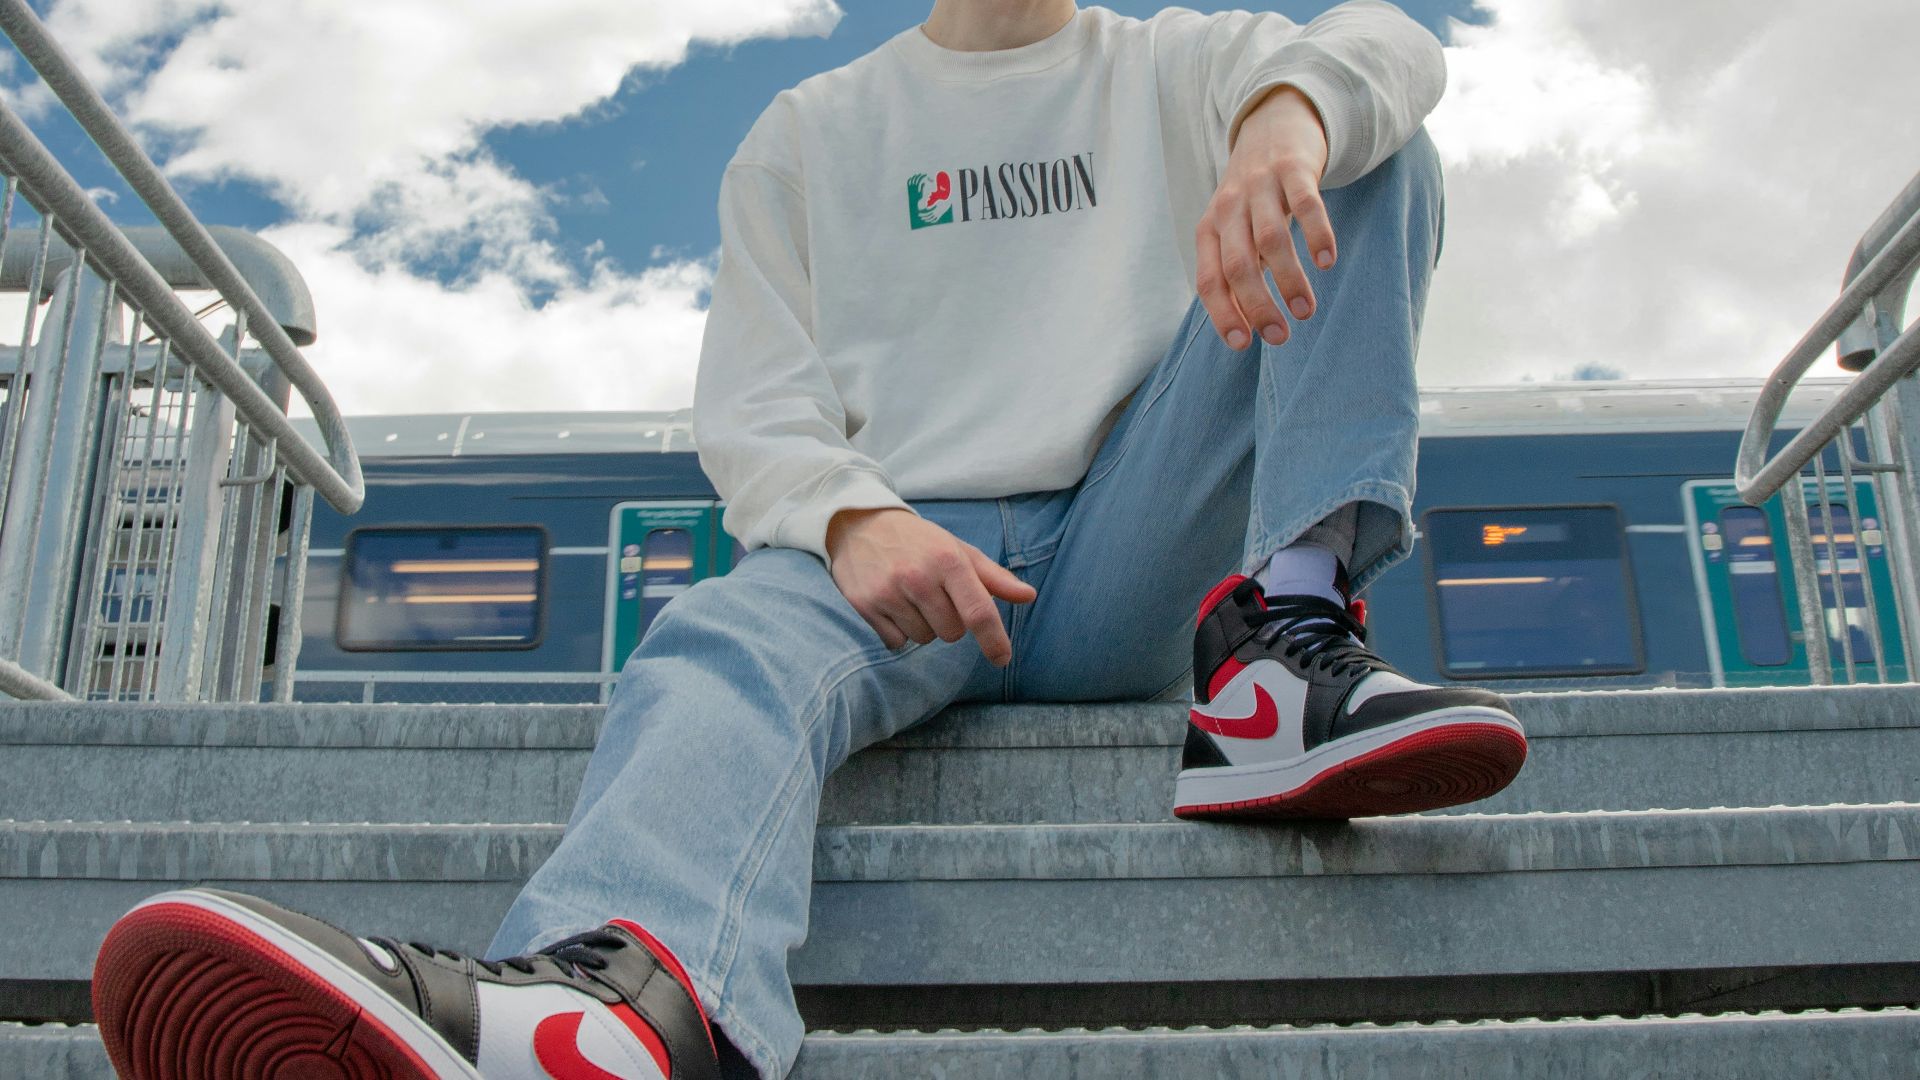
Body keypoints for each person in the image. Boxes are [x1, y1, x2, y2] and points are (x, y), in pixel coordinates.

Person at [88, 2, 1529, 1077]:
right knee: (720, 636)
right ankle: (628, 1002)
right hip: (892, 561)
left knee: (1365, 146)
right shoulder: (809, 134)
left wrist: (1283, 121)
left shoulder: (1175, 67)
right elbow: (758, 403)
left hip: (1127, 542)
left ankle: (1283, 644)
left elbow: (1394, 41)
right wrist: (856, 519)